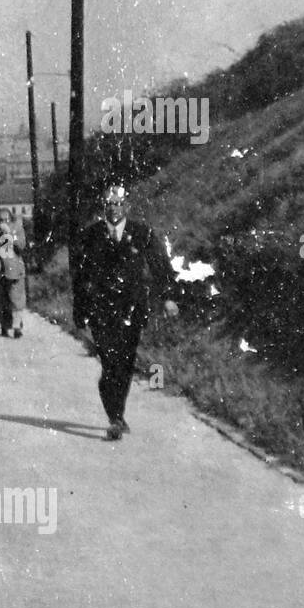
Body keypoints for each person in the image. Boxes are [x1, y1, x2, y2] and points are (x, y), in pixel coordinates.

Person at [73, 184, 179, 441]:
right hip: (101, 309)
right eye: (109, 204)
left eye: (118, 204)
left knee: (125, 363)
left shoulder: (142, 233)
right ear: (104, 207)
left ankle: (117, 413)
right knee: (110, 363)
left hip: (132, 307)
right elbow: (80, 276)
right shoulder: (91, 235)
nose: (114, 208)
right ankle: (115, 417)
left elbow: (159, 265)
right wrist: (80, 310)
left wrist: (167, 298)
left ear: (127, 207)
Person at [0, 208, 26, 337]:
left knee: (16, 299)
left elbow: (21, 246)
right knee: (0, 301)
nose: (3, 223)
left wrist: (10, 235)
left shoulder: (17, 229)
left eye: (6, 220)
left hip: (15, 270)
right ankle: (5, 326)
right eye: (0, 220)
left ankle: (16, 328)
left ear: (11, 219)